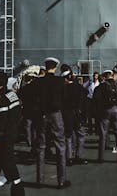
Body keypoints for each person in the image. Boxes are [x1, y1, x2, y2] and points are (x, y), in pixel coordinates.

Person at [34, 57, 70, 189]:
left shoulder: (38, 82)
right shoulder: (60, 81)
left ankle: (39, 180)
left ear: (45, 66)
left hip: (42, 115)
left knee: (41, 147)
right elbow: (65, 99)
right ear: (55, 67)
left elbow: (28, 96)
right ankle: (61, 181)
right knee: (60, 146)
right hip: (56, 115)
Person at [93, 70, 117, 163]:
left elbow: (96, 100)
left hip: (104, 111)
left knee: (103, 134)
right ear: (111, 75)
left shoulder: (100, 87)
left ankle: (101, 157)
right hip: (116, 110)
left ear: (104, 76)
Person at [61, 67, 88, 166]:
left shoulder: (63, 89)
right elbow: (86, 93)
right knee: (80, 135)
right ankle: (79, 156)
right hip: (77, 115)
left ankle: (69, 158)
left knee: (68, 136)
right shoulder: (79, 87)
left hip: (66, 115)